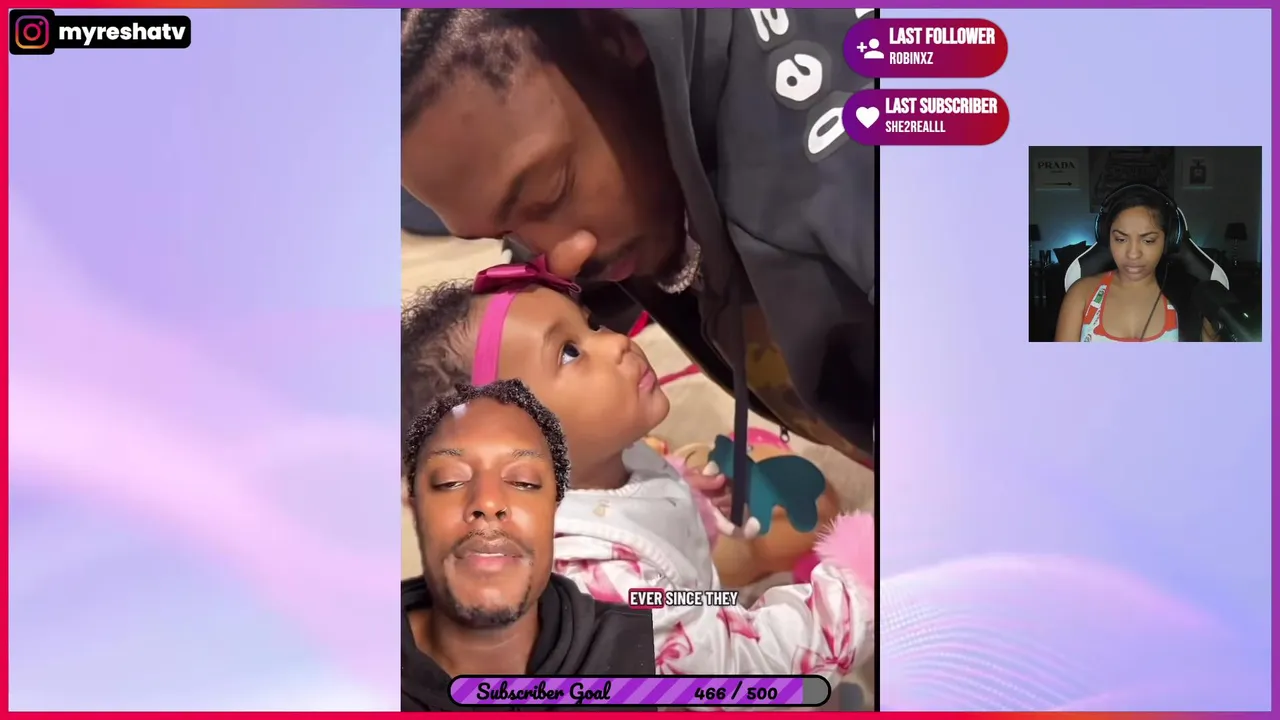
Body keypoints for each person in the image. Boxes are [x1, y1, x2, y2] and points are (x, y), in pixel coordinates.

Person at [400, 9, 877, 480]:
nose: (562, 260)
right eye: (505, 231)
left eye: (551, 193)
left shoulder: (857, 206)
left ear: (612, 33)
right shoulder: (593, 114)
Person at [400, 261, 875, 679]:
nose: (616, 343)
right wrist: (862, 583)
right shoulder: (601, 593)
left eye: (592, 324)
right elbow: (747, 672)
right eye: (569, 352)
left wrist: (685, 497)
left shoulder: (594, 464)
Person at [401, 379, 656, 711]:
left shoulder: (644, 654)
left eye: (524, 481)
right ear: (416, 507)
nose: (488, 502)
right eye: (450, 480)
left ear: (554, 507)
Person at [1056, 185, 1218, 342]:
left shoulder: (1196, 299)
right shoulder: (1081, 294)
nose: (1133, 254)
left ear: (1168, 240)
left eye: (1148, 240)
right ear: (1107, 237)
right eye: (1121, 239)